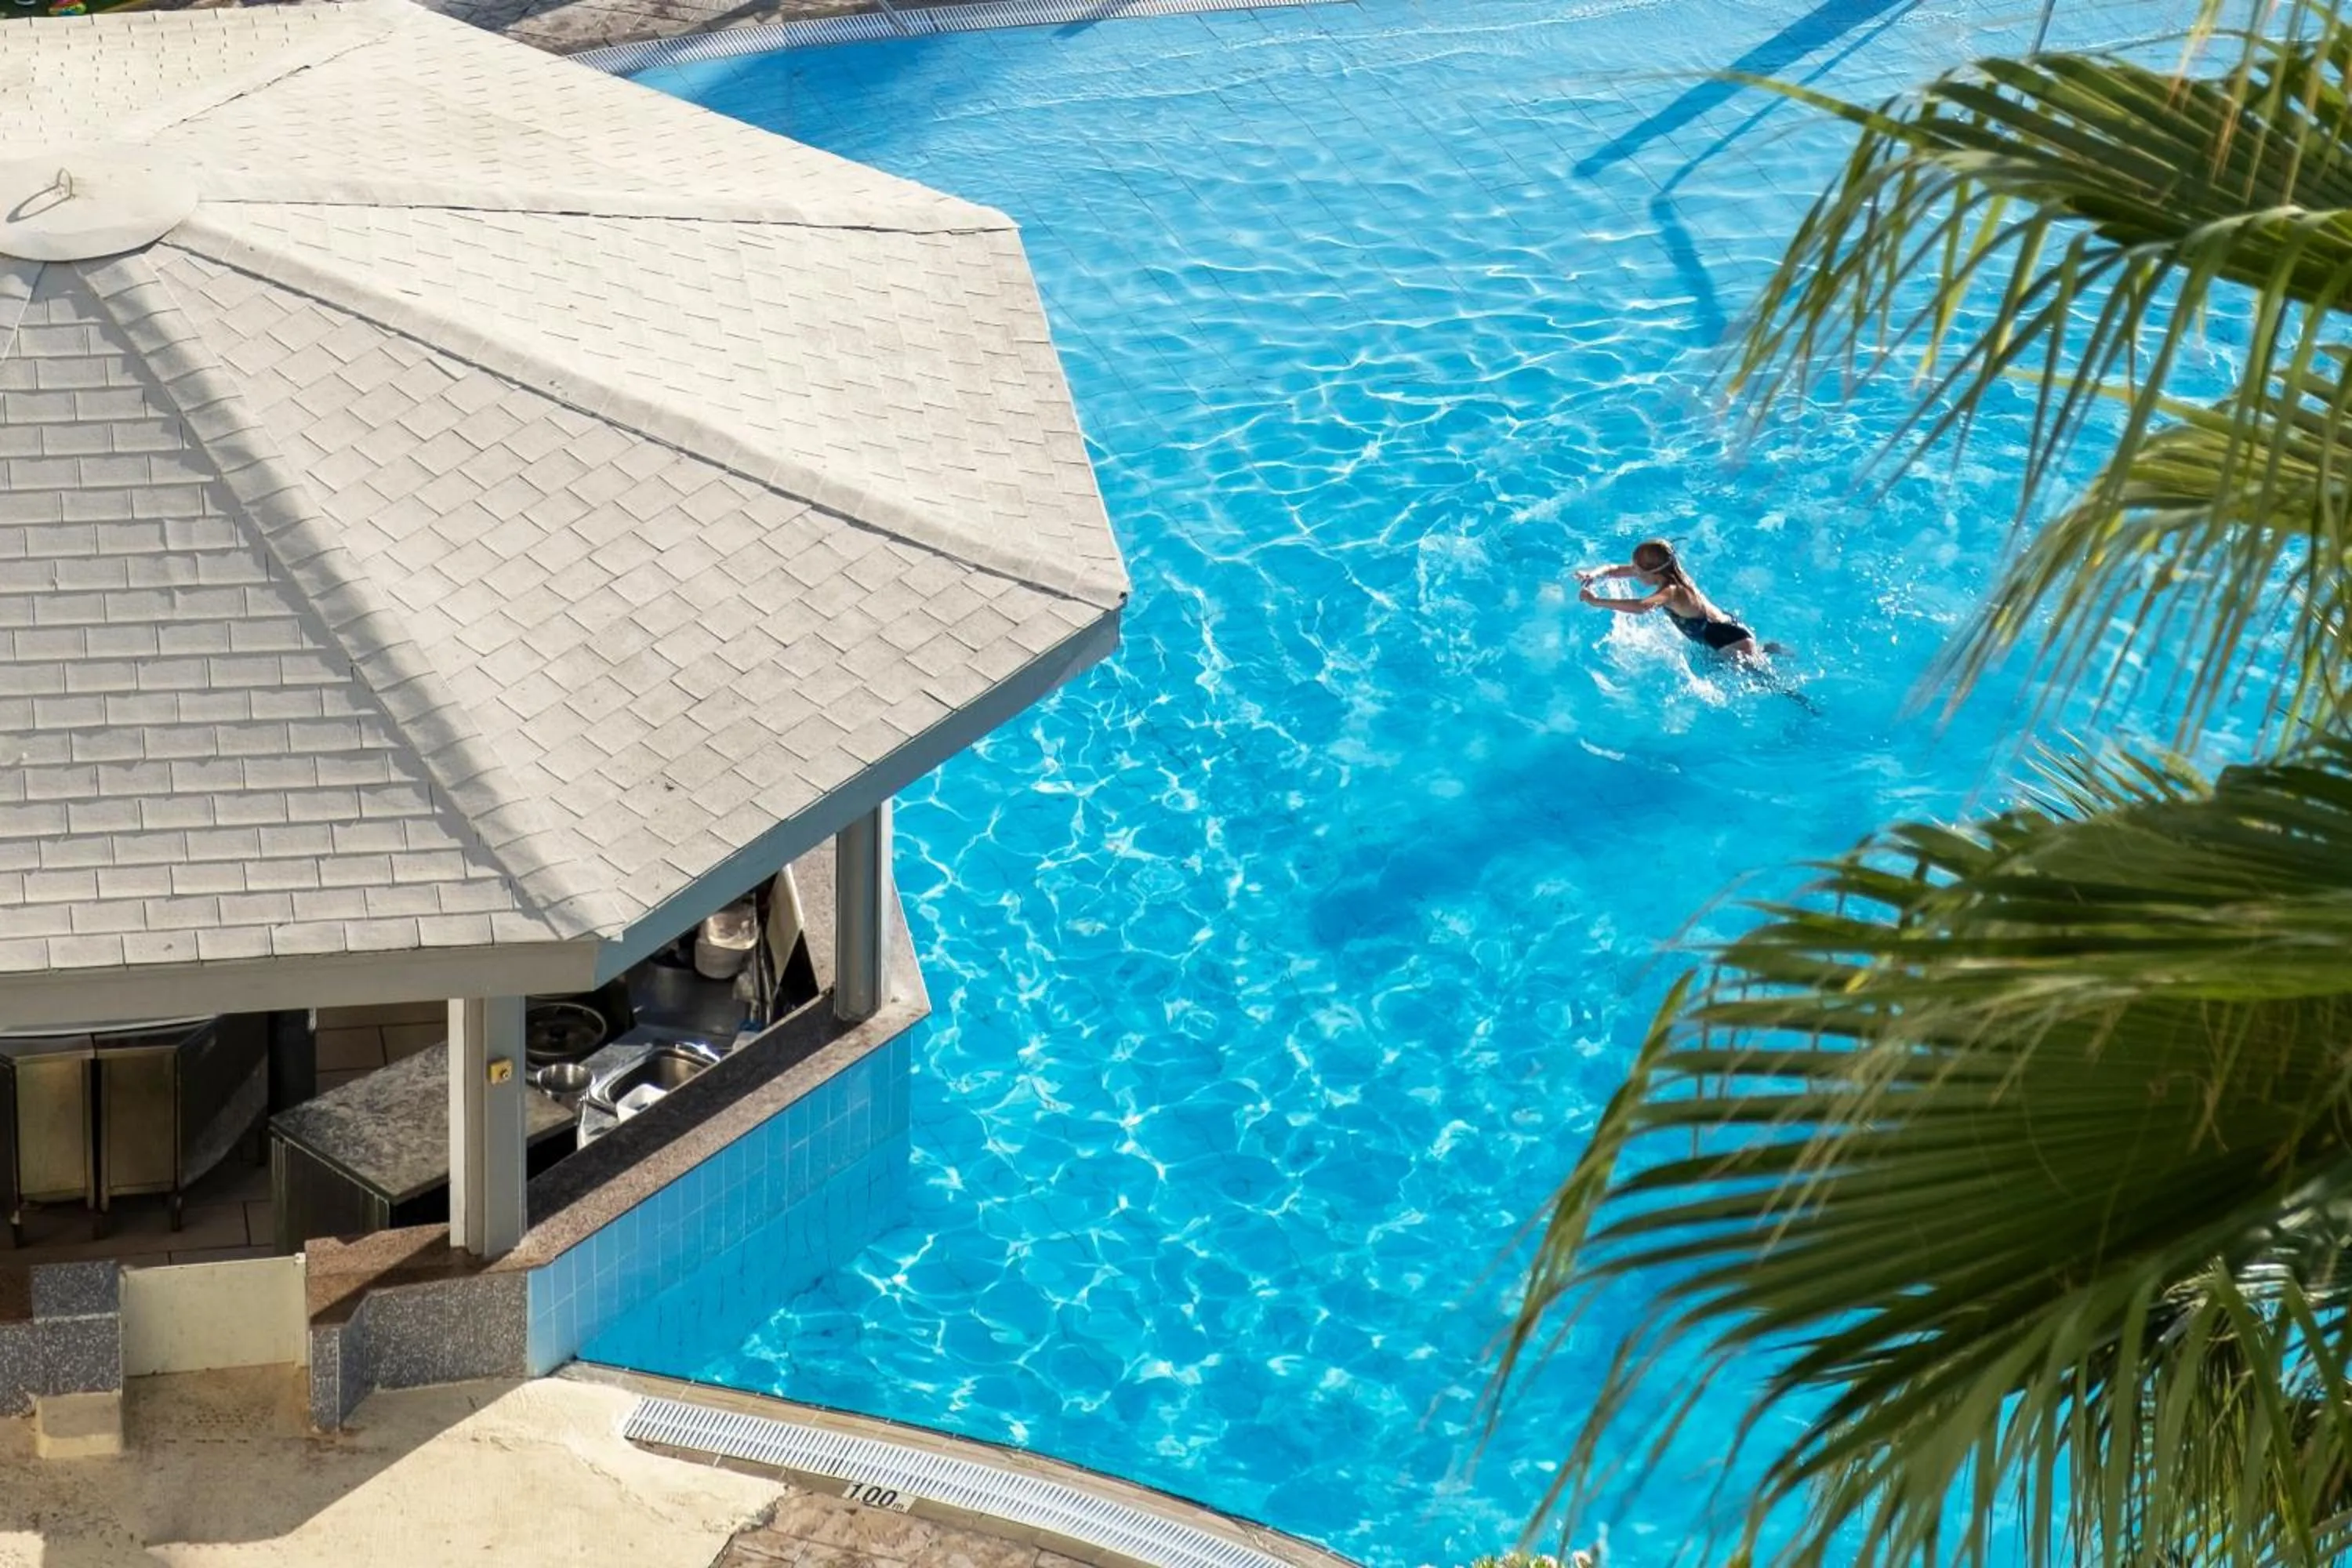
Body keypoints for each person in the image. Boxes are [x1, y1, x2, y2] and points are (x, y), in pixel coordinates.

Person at [1575, 538, 1766, 659]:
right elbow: (1613, 569)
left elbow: (1642, 607)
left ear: (1652, 573)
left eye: (1637, 570)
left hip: (1729, 641)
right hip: (1727, 626)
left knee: (1769, 683)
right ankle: (1769, 649)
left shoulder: (1672, 590)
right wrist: (1592, 574)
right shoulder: (1670, 570)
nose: (1633, 572)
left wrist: (1597, 601)